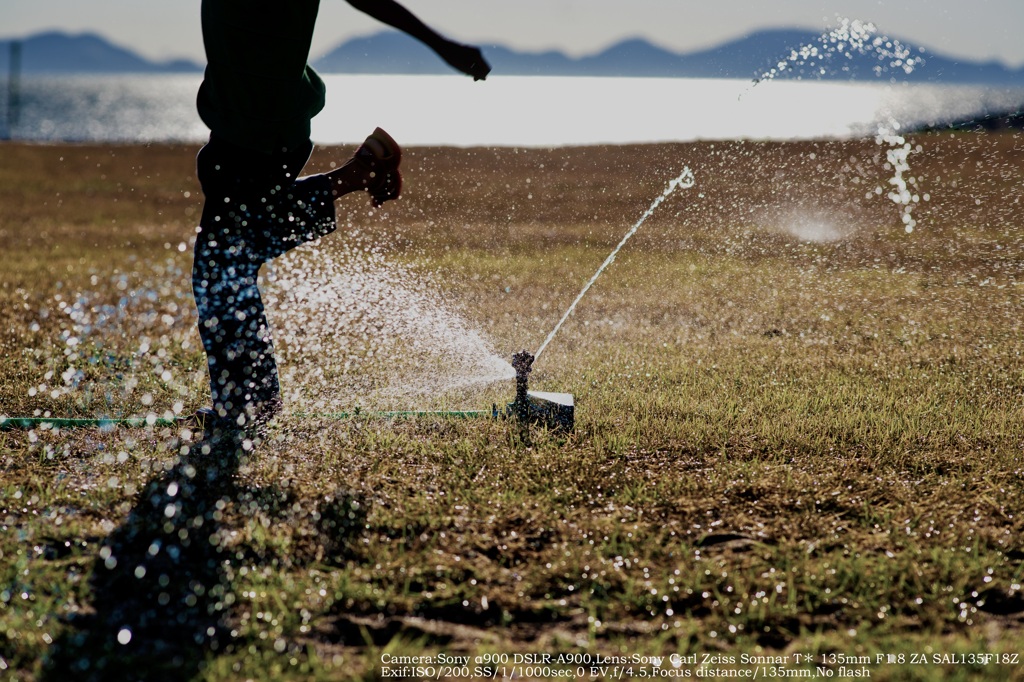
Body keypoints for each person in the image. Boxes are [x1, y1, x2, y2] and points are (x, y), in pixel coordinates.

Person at [192, 0, 490, 434]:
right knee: (236, 249)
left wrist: (443, 45)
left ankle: (246, 404)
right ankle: (251, 400)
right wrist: (443, 45)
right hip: (263, 116)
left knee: (220, 263)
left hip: (254, 118)